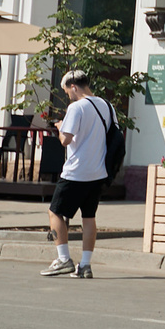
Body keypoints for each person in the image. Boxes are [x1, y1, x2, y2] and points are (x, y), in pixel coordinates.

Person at [41, 71, 112, 280]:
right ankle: (86, 265)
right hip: (98, 171)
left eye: (67, 91)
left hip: (76, 171)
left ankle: (63, 259)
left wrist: (60, 127)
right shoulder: (106, 106)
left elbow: (66, 140)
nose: (68, 96)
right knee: (89, 217)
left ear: (73, 86)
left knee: (54, 212)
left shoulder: (76, 107)